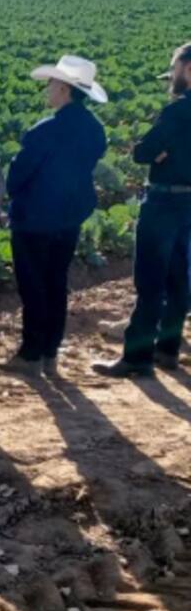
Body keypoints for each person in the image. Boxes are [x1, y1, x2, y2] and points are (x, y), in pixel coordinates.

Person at [0, 56, 107, 377]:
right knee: (56, 282)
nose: (48, 89)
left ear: (64, 89)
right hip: (70, 218)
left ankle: (30, 354)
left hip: (35, 220)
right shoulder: (95, 129)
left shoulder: (45, 130)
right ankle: (50, 352)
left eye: (51, 84)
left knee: (33, 286)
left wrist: (12, 194)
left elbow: (17, 177)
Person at [95, 43, 191, 378]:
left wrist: (158, 153)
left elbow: (143, 152)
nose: (173, 75)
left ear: (188, 69)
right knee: (180, 279)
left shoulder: (178, 111)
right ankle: (168, 350)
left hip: (164, 201)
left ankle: (138, 356)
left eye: (175, 68)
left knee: (151, 281)